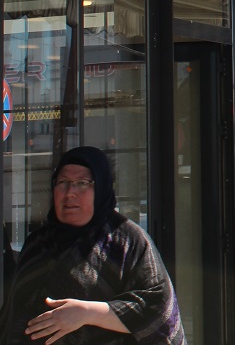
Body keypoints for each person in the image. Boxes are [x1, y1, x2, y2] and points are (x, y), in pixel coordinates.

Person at [0, 146, 186, 344]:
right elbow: (13, 316)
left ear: (101, 188)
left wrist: (88, 313)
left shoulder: (127, 242)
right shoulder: (37, 244)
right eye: (62, 182)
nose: (70, 192)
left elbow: (159, 312)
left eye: (82, 183)